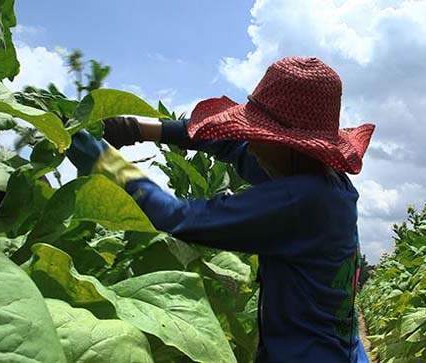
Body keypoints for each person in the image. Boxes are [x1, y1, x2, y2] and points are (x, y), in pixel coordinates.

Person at [67, 56, 375, 363]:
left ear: (289, 145)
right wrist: (138, 129)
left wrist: (100, 158)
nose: (251, 144)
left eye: (259, 135)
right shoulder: (330, 184)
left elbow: (177, 217)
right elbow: (232, 146)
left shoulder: (302, 201)